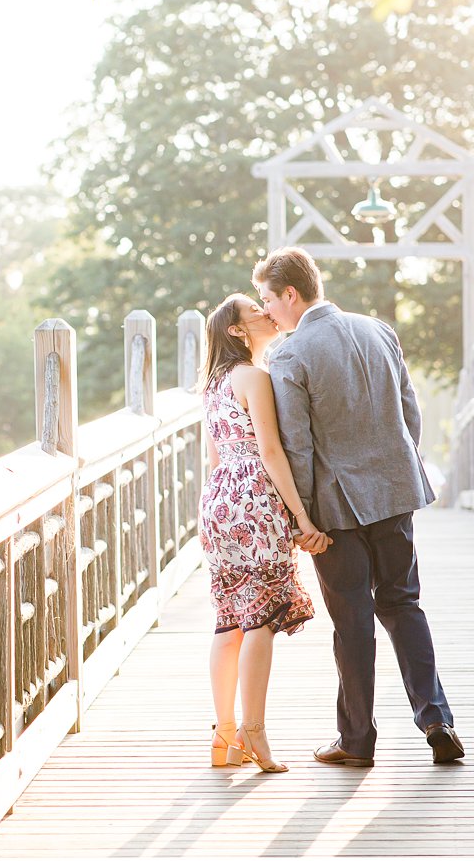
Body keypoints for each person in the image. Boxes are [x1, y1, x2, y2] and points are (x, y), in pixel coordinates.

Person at [254, 246, 464, 767]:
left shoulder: (289, 353)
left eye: (268, 301)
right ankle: (436, 717)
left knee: (353, 622)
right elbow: (408, 413)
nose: (267, 314)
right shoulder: (379, 330)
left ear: (290, 294)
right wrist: (396, 468)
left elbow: (297, 444)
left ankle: (357, 740)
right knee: (403, 604)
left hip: (336, 508)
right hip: (395, 492)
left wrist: (300, 518)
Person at [198, 293, 329, 774]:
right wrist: (302, 518)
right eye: (256, 312)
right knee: (261, 619)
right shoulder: (254, 376)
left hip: (218, 500)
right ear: (237, 330)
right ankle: (255, 730)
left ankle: (225, 735)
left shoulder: (213, 384)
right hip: (254, 497)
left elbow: (214, 458)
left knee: (229, 619)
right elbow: (271, 451)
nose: (266, 314)